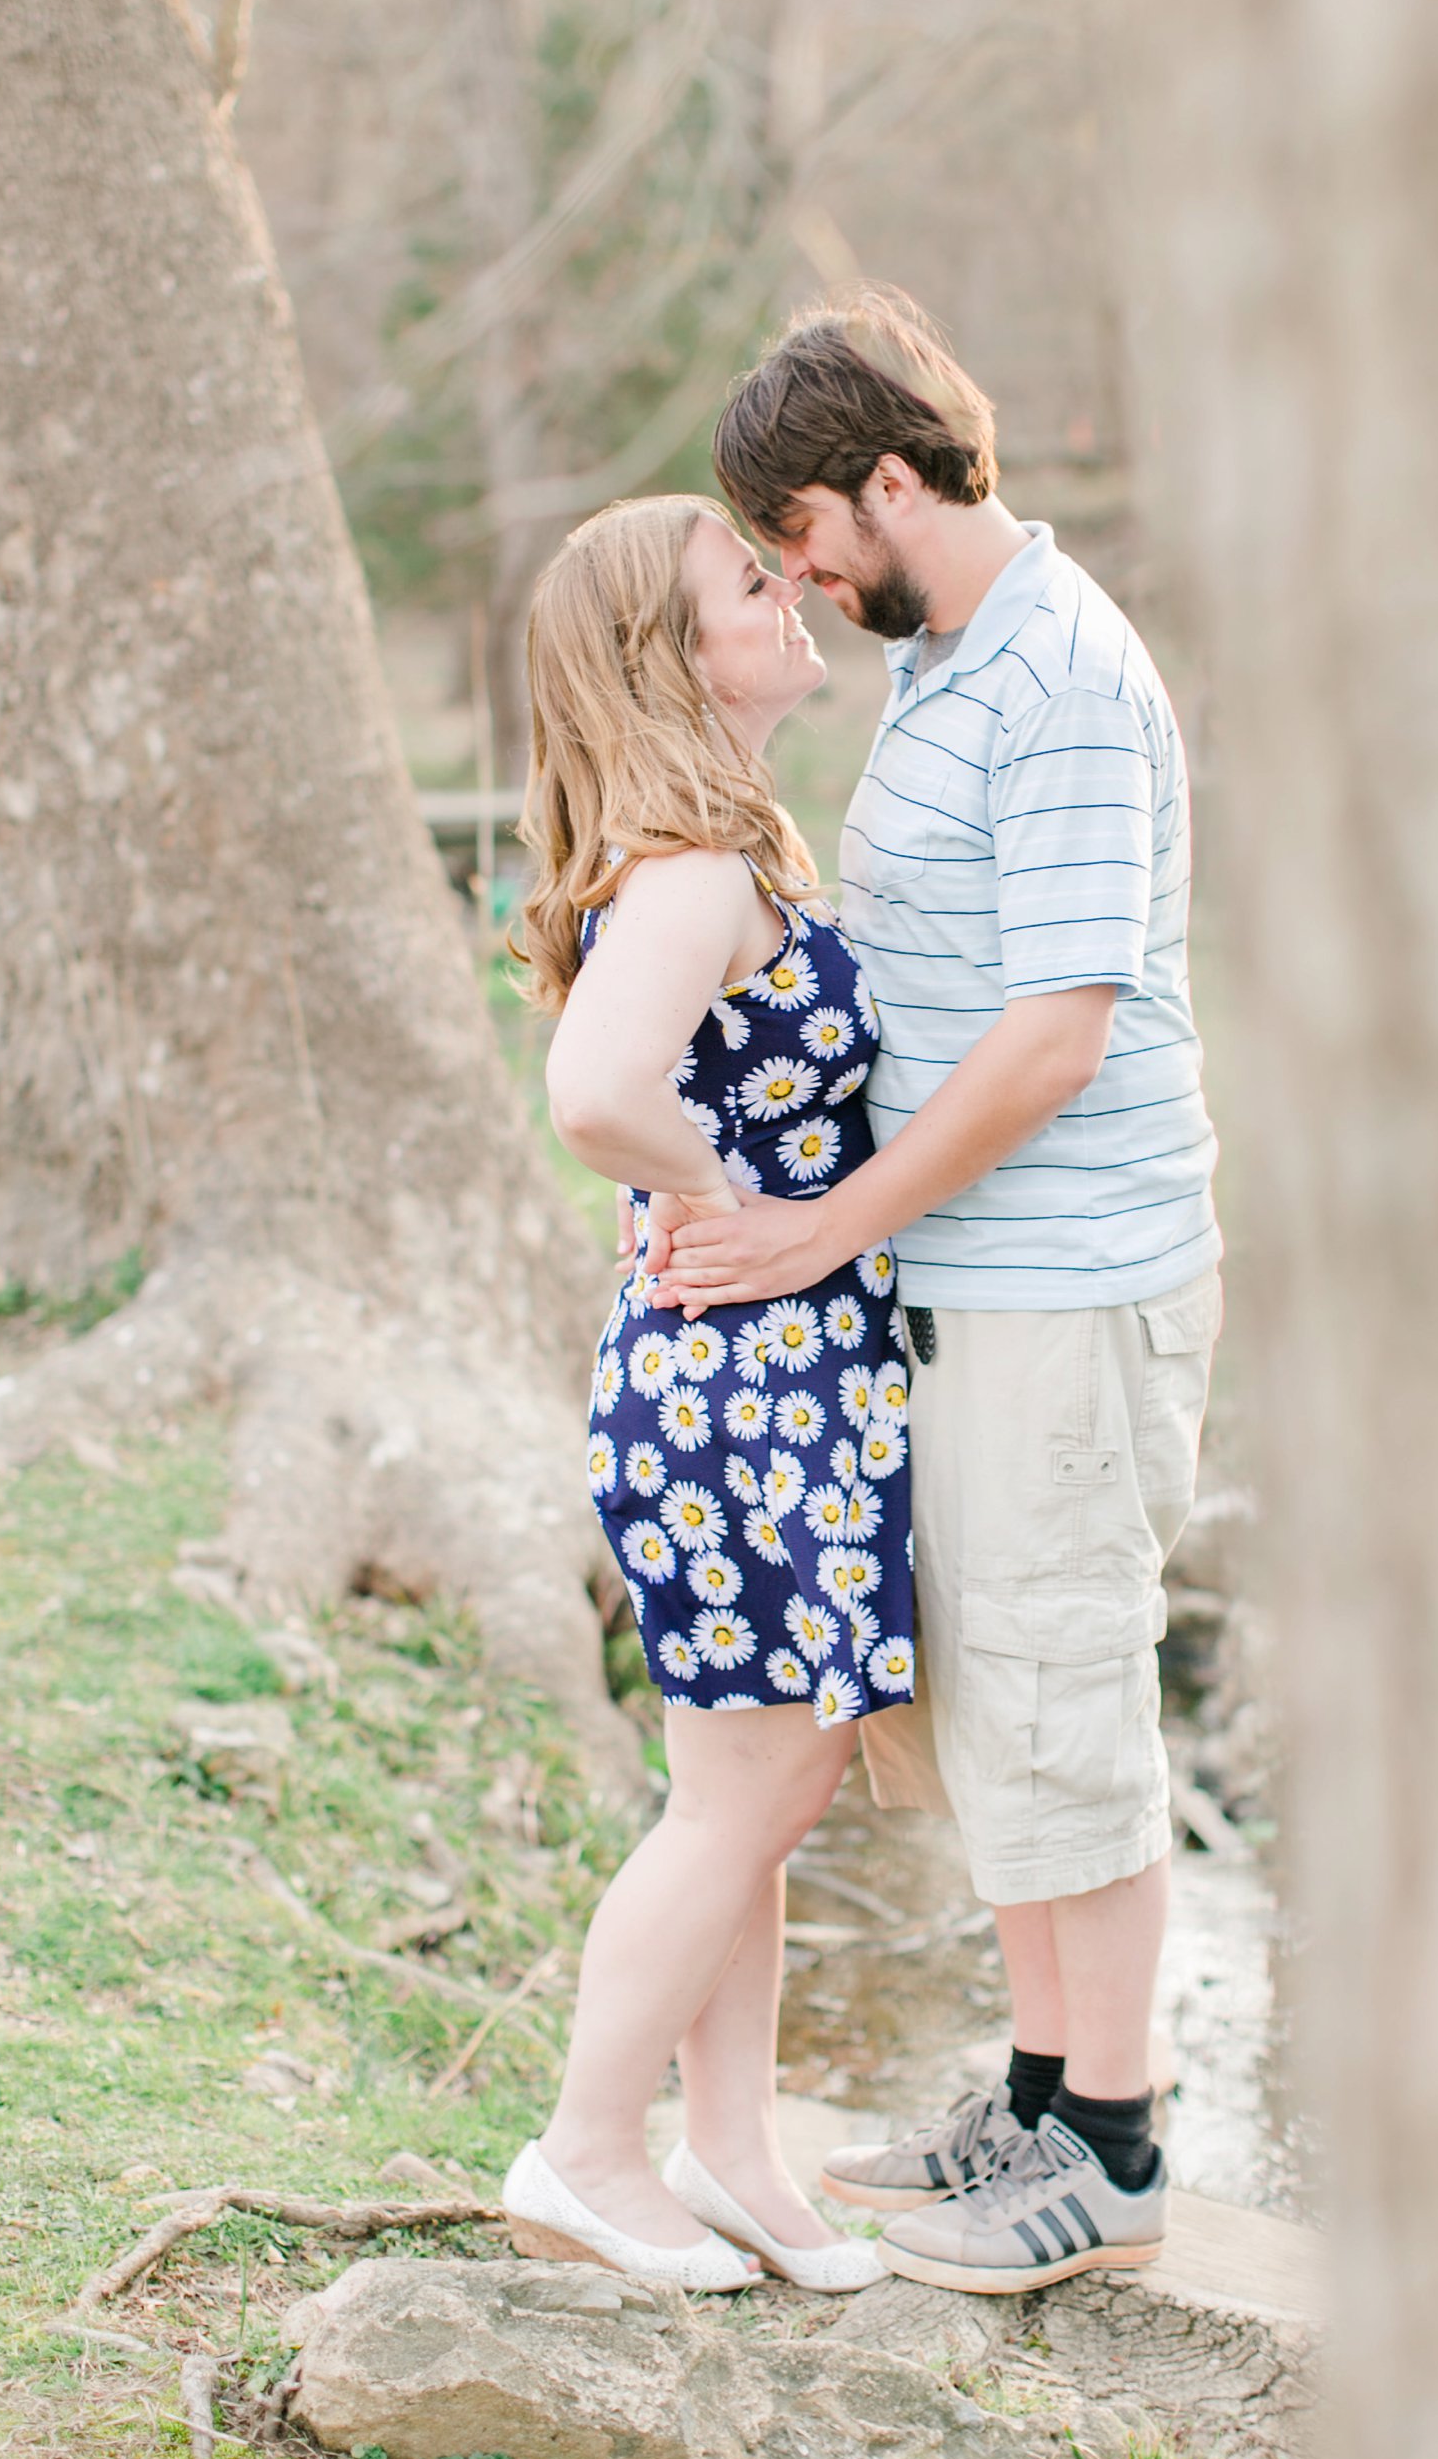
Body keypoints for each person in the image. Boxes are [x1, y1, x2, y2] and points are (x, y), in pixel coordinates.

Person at [654, 291, 1222, 2294]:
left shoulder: (1055, 672)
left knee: (1067, 1688)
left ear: (889, 477)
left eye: (802, 528)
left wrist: (823, 1226)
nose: (798, 573)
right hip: (967, 1272)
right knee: (998, 1682)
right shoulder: (950, 655)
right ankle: (1044, 2093)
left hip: (1064, 1279)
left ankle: (1122, 2149)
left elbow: (1053, 1037)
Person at [498, 491, 905, 2295]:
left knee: (749, 1791)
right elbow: (597, 1094)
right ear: (674, 657)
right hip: (744, 1389)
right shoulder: (695, 869)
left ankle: (730, 2150)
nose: (794, 590)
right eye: (754, 582)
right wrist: (739, 1195)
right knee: (747, 1794)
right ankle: (587, 2148)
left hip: (743, 1383)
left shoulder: (721, 845)